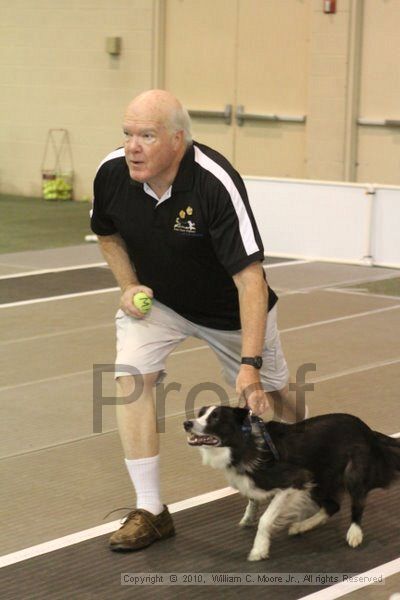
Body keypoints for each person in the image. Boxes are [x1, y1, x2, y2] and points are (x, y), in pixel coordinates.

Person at [90, 89, 304, 552]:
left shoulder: (214, 183)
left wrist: (249, 363)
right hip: (161, 303)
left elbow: (251, 280)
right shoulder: (111, 173)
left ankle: (314, 466)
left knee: (273, 394)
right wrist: (129, 287)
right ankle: (150, 510)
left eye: (146, 135)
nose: (132, 147)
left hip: (230, 310)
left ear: (178, 140)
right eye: (128, 134)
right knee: (131, 376)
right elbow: (106, 234)